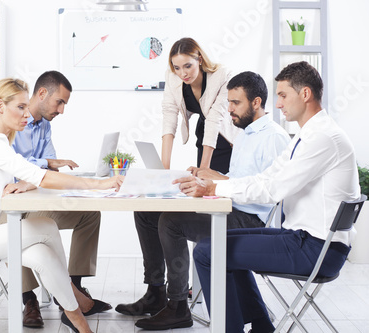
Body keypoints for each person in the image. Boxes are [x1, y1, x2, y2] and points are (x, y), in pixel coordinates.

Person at [175, 61, 360, 333]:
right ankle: (262, 326)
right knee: (218, 244)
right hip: (303, 238)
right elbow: (267, 177)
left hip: (316, 249)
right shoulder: (306, 136)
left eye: (284, 95)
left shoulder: (323, 138)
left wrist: (214, 188)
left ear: (305, 94)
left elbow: (273, 190)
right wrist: (217, 184)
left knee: (207, 252)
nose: (279, 103)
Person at [0, 78, 123, 333]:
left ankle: (77, 319)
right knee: (45, 226)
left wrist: (14, 184)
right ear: (0, 106)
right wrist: (98, 185)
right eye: (20, 107)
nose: (26, 114)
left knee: (43, 255)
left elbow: (25, 175)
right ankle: (76, 311)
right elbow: (41, 176)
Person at [117, 72, 290, 330]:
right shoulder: (245, 134)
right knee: (147, 211)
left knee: (170, 221)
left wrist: (214, 184)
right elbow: (243, 179)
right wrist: (208, 176)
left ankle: (177, 306)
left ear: (256, 103)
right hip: (230, 206)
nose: (229, 109)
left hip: (249, 219)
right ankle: (155, 292)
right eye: (228, 102)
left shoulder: (273, 137)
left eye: (236, 103)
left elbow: (268, 190)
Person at [11, 71, 110, 327]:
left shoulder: (44, 125)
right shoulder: (12, 121)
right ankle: (29, 301)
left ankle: (73, 290)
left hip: (35, 199)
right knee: (16, 224)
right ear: (42, 93)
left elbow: (48, 170)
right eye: (60, 102)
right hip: (12, 204)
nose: (62, 110)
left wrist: (47, 167)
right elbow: (16, 166)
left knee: (89, 215)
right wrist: (44, 165)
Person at [161, 37, 241, 173]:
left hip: (227, 140)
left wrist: (204, 170)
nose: (183, 73)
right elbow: (169, 116)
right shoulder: (172, 77)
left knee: (221, 186)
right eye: (177, 68)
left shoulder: (222, 76)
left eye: (188, 66)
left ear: (200, 59)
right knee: (203, 190)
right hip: (204, 140)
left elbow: (214, 119)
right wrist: (163, 170)